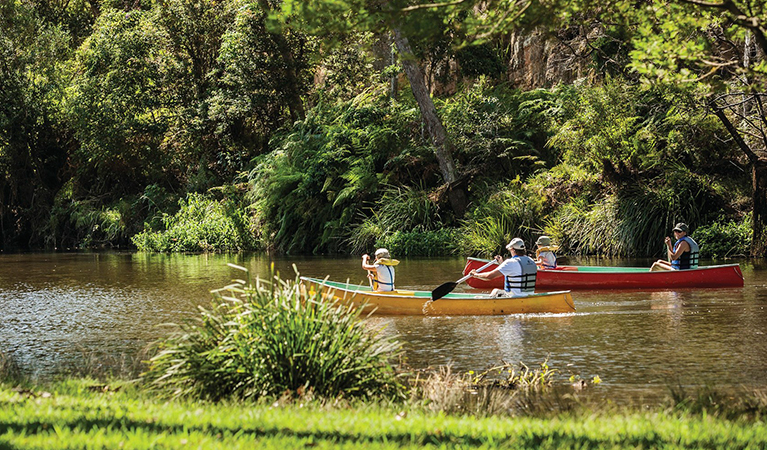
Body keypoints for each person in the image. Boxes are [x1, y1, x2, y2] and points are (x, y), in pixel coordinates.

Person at [469, 238, 537, 297]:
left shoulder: (510, 262)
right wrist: (501, 264)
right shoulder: (531, 261)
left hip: (514, 297)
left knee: (495, 291)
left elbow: (489, 276)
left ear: (512, 249)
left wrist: (475, 274)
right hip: (529, 297)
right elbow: (515, 271)